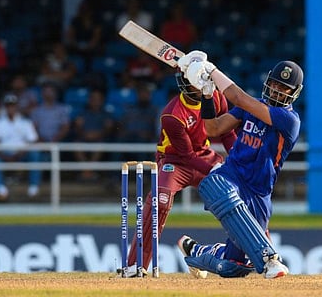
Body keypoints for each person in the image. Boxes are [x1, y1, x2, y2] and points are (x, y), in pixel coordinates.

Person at [175, 51, 303, 279]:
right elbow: (213, 129)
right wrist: (206, 95)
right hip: (232, 175)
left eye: (284, 88)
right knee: (214, 184)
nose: (276, 90)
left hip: (258, 191)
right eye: (274, 83)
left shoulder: (289, 120)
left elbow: (239, 97)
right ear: (268, 82)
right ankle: (269, 258)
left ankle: (196, 251)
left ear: (294, 94)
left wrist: (212, 71)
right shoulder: (251, 107)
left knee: (234, 268)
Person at [123, 59, 237, 277]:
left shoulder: (216, 97)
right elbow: (187, 155)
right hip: (174, 162)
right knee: (160, 201)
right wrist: (214, 170)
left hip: (205, 155)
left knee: (234, 195)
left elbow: (225, 133)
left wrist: (237, 159)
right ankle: (136, 265)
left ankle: (228, 255)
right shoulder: (172, 114)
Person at [0, 94, 41, 201]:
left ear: (17, 106)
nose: (10, 108)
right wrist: (4, 155)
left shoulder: (25, 122)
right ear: (5, 107)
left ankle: (33, 188)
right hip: (4, 154)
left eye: (13, 105)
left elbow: (33, 140)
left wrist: (20, 153)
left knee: (35, 154)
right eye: (8, 105)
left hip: (22, 153)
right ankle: (1, 190)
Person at [72, 89, 114, 181]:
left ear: (102, 100)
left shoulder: (106, 114)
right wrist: (83, 132)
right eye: (92, 98)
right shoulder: (83, 113)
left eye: (97, 99)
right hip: (84, 138)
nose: (94, 101)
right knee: (76, 145)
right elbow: (77, 130)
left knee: (99, 146)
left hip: (100, 139)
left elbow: (108, 130)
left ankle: (87, 172)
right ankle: (88, 172)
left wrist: (97, 134)